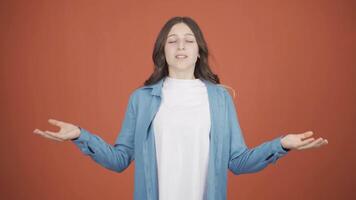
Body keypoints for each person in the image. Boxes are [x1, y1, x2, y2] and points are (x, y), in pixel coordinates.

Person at [33, 16, 328, 200]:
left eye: (188, 40)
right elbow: (120, 159)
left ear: (198, 51)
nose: (180, 46)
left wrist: (282, 145)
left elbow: (237, 161)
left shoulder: (220, 99)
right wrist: (80, 136)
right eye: (172, 41)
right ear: (163, 50)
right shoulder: (142, 98)